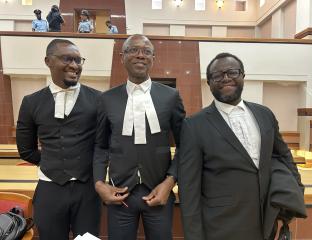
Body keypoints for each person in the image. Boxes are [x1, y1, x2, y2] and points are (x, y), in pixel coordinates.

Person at [178, 52, 304, 240]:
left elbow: (283, 155)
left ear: (243, 76)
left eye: (232, 72)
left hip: (265, 221)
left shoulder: (264, 114)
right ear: (209, 83)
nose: (225, 78)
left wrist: (296, 191)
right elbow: (189, 189)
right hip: (221, 226)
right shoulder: (194, 125)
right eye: (217, 75)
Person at [93, 34, 185, 240]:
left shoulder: (171, 97)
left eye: (146, 51)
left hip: (159, 192)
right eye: (133, 50)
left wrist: (170, 182)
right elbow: (100, 146)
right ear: (122, 57)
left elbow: (184, 146)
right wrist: (100, 183)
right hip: (120, 194)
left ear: (153, 58)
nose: (140, 55)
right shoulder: (107, 99)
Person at [16, 39, 101, 240]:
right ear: (48, 61)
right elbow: (26, 150)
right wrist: (53, 162)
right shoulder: (31, 102)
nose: (74, 65)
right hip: (49, 189)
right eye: (67, 59)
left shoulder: (99, 99)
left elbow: (103, 144)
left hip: (88, 189)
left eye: (78, 60)